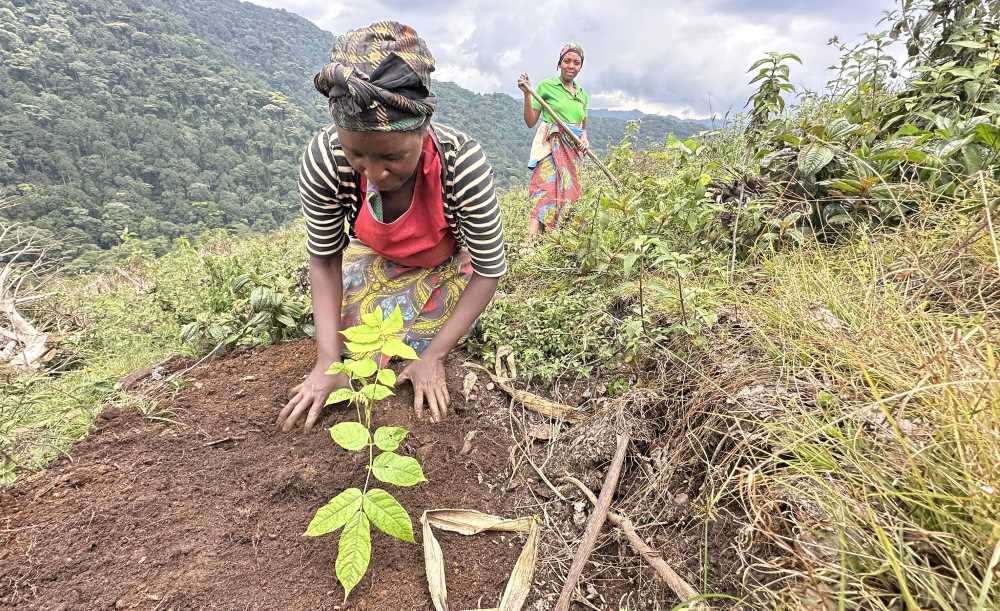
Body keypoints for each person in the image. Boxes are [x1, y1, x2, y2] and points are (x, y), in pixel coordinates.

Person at [277, 21, 506, 431]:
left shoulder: (461, 165)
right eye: (357, 155)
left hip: (449, 265)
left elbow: (490, 269)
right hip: (377, 258)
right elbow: (325, 258)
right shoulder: (326, 159)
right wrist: (327, 361)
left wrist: (433, 356)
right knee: (352, 338)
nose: (376, 173)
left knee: (414, 341)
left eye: (394, 157)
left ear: (422, 129)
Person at [518, 43, 590, 236]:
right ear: (560, 63)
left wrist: (585, 139)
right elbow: (530, 121)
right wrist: (527, 94)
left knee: (569, 196)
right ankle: (529, 244)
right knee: (544, 192)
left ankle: (556, 241)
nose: (571, 66)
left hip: (572, 153)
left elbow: (583, 126)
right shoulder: (546, 87)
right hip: (551, 146)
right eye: (567, 61)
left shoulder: (583, 95)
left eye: (576, 62)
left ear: (581, 67)